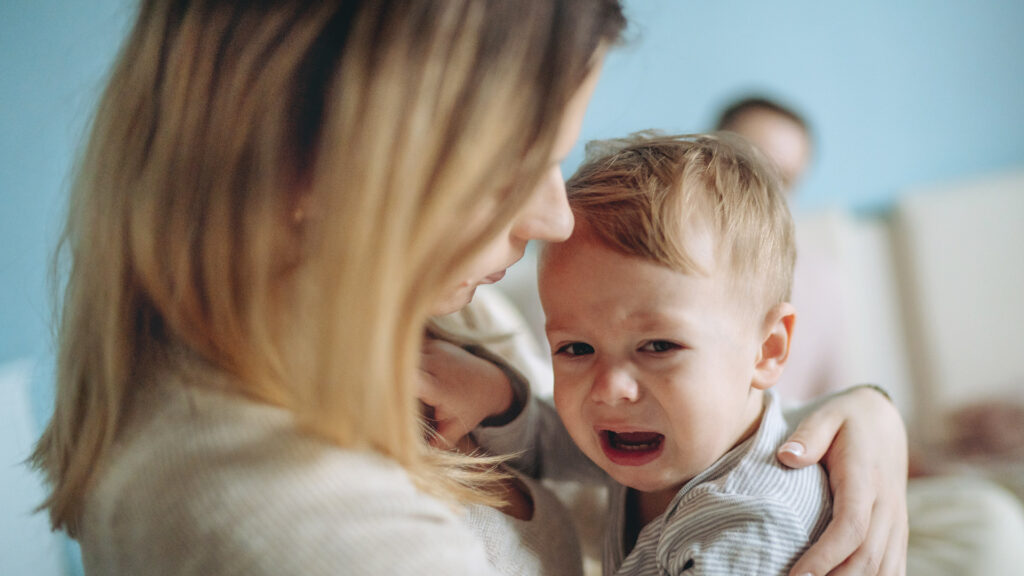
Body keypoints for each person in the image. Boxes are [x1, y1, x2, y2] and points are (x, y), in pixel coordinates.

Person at [28, 2, 907, 574]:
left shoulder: (425, 294)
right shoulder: (293, 529)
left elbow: (587, 441)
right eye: (516, 165)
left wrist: (855, 415)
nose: (556, 221)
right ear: (318, 167)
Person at [716, 95, 1024, 575]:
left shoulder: (820, 279)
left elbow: (845, 408)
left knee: (987, 513)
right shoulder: (669, 270)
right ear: (707, 154)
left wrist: (938, 457)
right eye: (749, 161)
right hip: (752, 492)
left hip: (820, 479)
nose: (765, 187)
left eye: (786, 178)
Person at [534, 132, 830, 575]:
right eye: (576, 348)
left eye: (658, 346)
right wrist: (493, 401)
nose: (609, 389)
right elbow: (550, 439)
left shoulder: (753, 527)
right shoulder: (666, 435)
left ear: (767, 350)